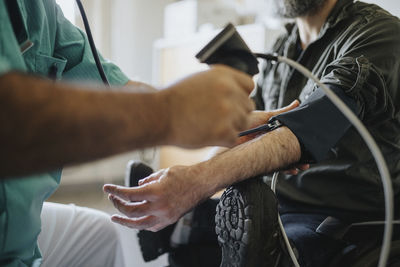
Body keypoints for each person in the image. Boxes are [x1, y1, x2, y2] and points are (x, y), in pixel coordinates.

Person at [105, 0, 400, 266]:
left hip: (338, 216)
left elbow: (304, 131)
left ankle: (259, 245)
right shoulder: (285, 48)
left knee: (271, 238)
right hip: (272, 203)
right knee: (223, 225)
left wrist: (197, 182)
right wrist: (191, 178)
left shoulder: (377, 34)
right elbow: (247, 131)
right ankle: (190, 223)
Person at [0, 0, 257, 266]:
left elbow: (111, 87)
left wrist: (219, 116)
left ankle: (194, 220)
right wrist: (168, 112)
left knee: (103, 237)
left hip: (19, 227)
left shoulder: (41, 9)